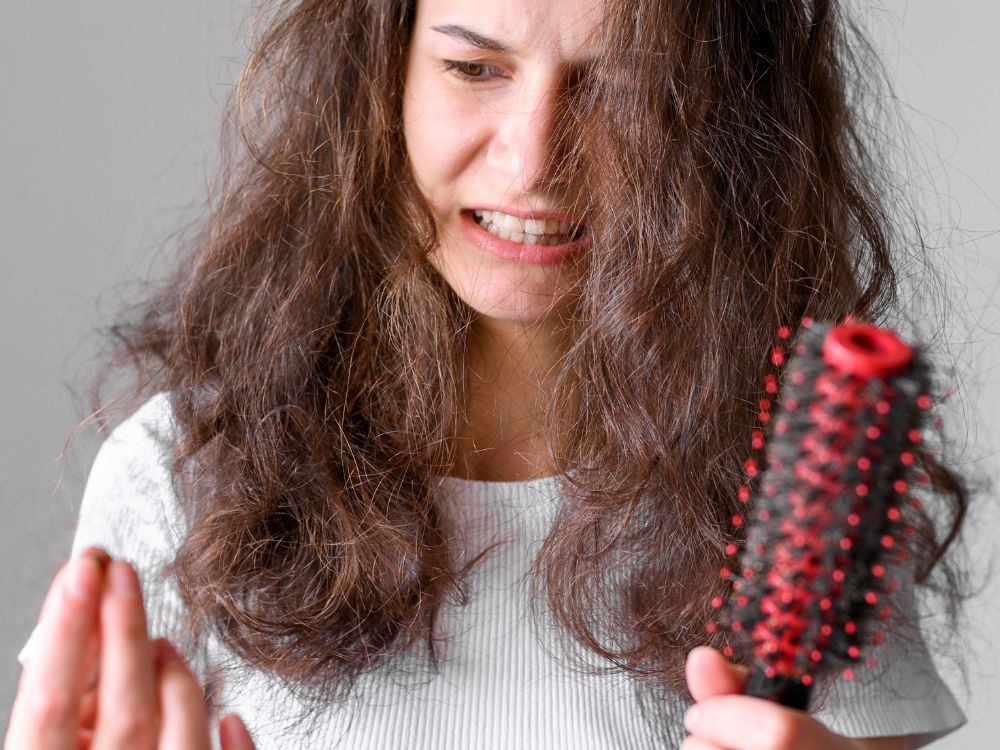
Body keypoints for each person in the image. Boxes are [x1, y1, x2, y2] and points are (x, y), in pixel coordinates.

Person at [4, 0, 976, 748]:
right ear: (379, 79)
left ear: (729, 120)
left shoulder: (803, 492)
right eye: (474, 68)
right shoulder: (183, 477)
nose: (532, 161)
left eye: (623, 87)